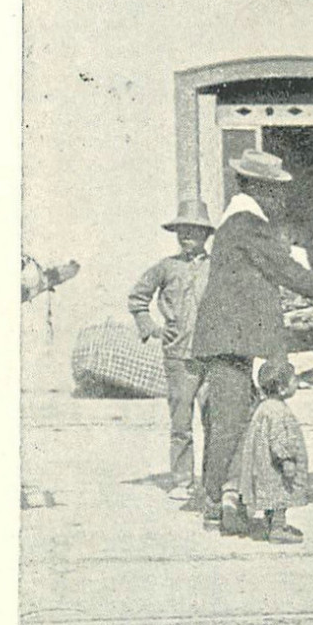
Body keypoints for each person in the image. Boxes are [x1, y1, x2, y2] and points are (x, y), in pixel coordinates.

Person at [190, 149, 313, 521]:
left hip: (233, 337)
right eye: (274, 190)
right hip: (231, 339)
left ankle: (227, 494)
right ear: (257, 188)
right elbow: (284, 268)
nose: (280, 198)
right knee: (230, 421)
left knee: (234, 418)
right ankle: (216, 500)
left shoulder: (239, 222)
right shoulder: (246, 223)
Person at [128, 200, 213, 501]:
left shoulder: (217, 267)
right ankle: (182, 480)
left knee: (214, 419)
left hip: (210, 355)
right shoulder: (166, 267)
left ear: (206, 235)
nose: (187, 236)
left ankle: (212, 483)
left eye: (194, 231)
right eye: (182, 231)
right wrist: (150, 326)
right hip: (178, 356)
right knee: (181, 422)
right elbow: (138, 298)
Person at [223, 357, 309, 545]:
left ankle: (271, 524)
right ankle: (278, 528)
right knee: (279, 497)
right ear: (282, 388)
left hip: (263, 465)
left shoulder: (264, 407)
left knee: (271, 497)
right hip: (274, 467)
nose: (297, 383)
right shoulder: (277, 411)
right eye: (294, 380)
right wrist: (287, 460)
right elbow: (278, 439)